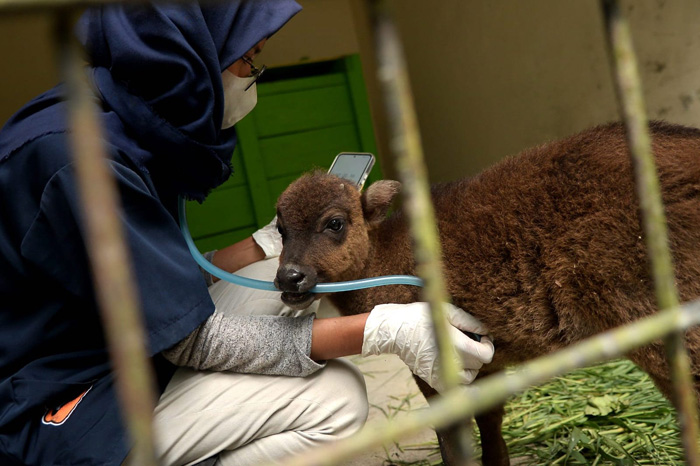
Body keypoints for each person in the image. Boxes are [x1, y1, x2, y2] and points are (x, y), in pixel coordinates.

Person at [0, 1, 495, 465]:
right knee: (336, 400)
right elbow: (193, 341)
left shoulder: (121, 119)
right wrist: (383, 330)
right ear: (187, 54)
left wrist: (268, 244)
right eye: (247, 60)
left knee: (270, 279)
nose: (254, 76)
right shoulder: (79, 161)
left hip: (115, 350)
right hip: (63, 404)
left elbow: (149, 282)